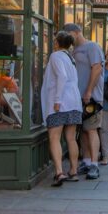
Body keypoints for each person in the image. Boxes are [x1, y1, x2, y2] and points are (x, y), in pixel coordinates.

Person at [64, 23, 103, 180]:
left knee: (91, 129)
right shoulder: (73, 50)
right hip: (77, 97)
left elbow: (97, 68)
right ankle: (86, 161)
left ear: (76, 32)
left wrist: (89, 91)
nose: (67, 38)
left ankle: (94, 164)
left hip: (91, 97)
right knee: (83, 130)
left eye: (68, 34)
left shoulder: (92, 46)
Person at [42, 31, 82, 186]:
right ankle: (73, 171)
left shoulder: (56, 56)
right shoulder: (70, 58)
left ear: (57, 43)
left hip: (60, 102)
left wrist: (57, 100)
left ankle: (59, 172)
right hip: (74, 102)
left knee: (54, 137)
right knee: (71, 138)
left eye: (54, 40)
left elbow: (62, 76)